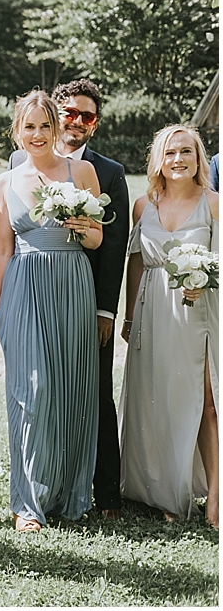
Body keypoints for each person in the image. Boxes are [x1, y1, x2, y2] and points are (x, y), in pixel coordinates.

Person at [0, 79, 130, 519]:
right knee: (31, 392)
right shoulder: (5, 180)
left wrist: (84, 228)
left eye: (45, 125)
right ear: (17, 131)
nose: (37, 134)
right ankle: (28, 505)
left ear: (56, 127)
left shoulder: (81, 173)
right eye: (28, 126)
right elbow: (4, 248)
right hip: (24, 288)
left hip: (72, 284)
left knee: (73, 390)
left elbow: (97, 241)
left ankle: (70, 496)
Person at [118, 125, 219, 527]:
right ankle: (165, 492)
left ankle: (216, 497)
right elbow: (137, 262)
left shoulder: (214, 204)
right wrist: (128, 316)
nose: (178, 159)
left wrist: (202, 282)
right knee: (158, 399)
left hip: (200, 311)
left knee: (207, 402)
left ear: (199, 159)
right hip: (152, 311)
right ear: (159, 159)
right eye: (170, 152)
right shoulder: (144, 205)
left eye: (186, 152)